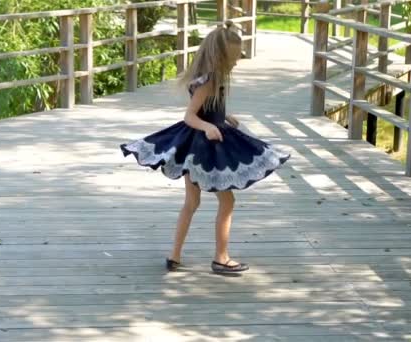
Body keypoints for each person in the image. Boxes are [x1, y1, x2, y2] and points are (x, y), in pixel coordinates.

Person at [120, 21, 290, 274]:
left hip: (199, 145)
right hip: (204, 148)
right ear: (221, 56)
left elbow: (207, 110)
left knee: (192, 202)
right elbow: (190, 116)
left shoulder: (213, 78)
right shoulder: (209, 81)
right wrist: (209, 127)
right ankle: (221, 258)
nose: (236, 63)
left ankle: (174, 255)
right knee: (227, 201)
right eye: (233, 58)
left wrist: (224, 118)